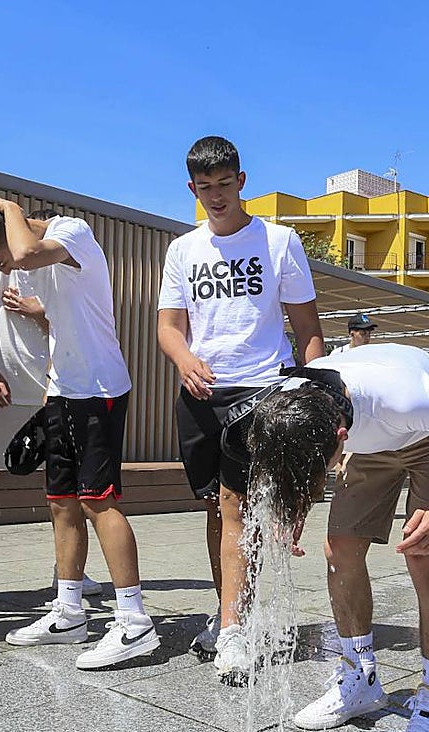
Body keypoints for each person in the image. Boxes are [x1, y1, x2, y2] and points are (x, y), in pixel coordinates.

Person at [241, 343, 429, 732]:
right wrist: (291, 509)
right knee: (338, 549)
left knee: (423, 554)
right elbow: (289, 461)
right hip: (375, 437)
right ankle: (359, 676)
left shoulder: (406, 397)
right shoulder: (289, 399)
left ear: (340, 439)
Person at [0, 201, 157, 669]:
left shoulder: (73, 232)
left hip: (99, 388)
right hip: (64, 389)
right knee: (61, 500)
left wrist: (7, 207)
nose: (6, 270)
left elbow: (24, 255)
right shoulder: (39, 257)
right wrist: (49, 388)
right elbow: (64, 309)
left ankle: (134, 621)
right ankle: (68, 611)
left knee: (97, 500)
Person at [157, 135, 325, 683]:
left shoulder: (279, 242)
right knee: (217, 511)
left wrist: (316, 395)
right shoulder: (182, 250)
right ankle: (230, 610)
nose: (216, 197)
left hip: (261, 391)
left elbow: (308, 331)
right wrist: (183, 360)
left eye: (224, 185)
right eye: (205, 188)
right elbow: (169, 327)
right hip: (202, 395)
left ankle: (234, 628)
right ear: (192, 188)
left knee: (235, 510)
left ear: (241, 181)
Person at [0, 217, 101, 606]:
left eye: (1, 260)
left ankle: (66, 571)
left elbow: (75, 324)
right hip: (1, 393)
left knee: (62, 491)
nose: (4, 268)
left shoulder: (57, 258)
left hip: (53, 392)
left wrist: (38, 313)